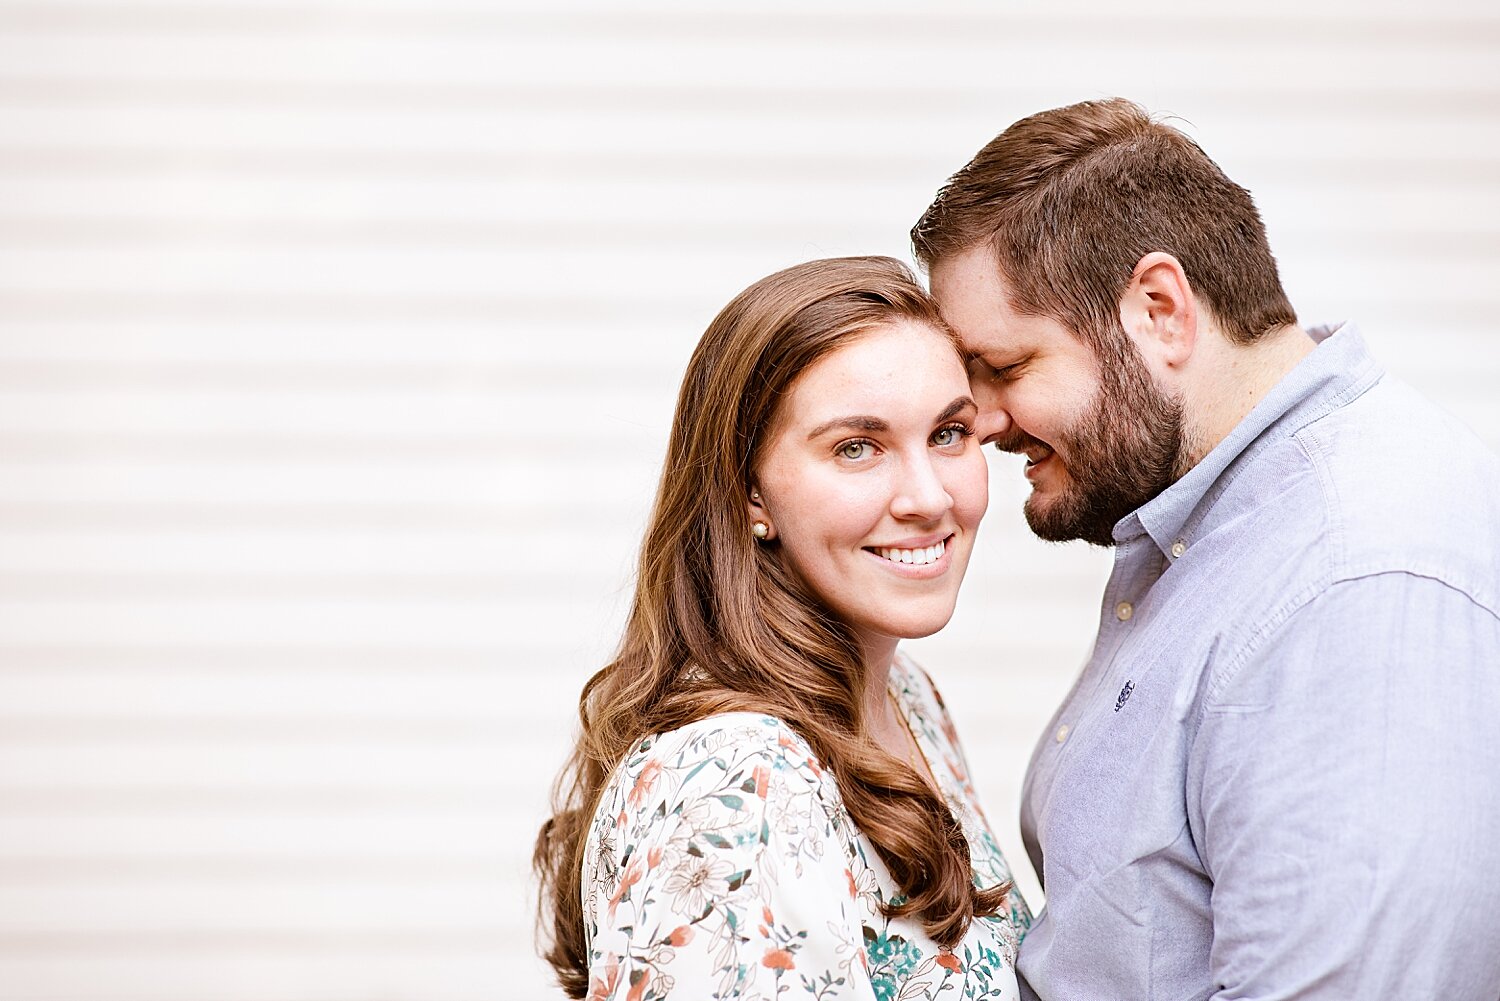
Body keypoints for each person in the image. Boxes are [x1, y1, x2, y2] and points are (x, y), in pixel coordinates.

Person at [911, 97, 1500, 1000]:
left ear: (1159, 310)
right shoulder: (1215, 524)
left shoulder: (1355, 579)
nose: (982, 419)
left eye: (1009, 367)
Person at [534, 257, 1032, 1000]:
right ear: (750, 494)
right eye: (855, 447)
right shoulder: (735, 784)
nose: (929, 496)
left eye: (949, 433)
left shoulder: (904, 695)